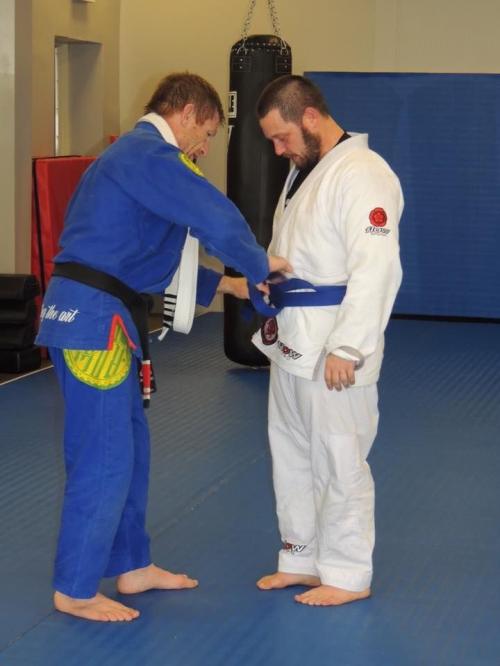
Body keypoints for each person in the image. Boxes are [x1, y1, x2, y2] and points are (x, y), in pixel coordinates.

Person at [36, 72, 291, 622]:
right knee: (104, 456)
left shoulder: (134, 162)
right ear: (188, 113)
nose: (204, 148)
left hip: (104, 315)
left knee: (129, 446)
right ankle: (75, 587)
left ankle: (131, 564)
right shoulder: (149, 153)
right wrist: (257, 262)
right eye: (207, 134)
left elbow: (145, 259)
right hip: (93, 322)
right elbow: (212, 212)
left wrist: (231, 286)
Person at [250, 75, 404, 606]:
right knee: (291, 450)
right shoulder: (305, 170)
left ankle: (347, 573)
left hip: (335, 345)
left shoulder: (364, 173)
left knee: (339, 457)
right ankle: (301, 557)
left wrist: (349, 347)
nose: (278, 150)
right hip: (292, 339)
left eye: (283, 137)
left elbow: (376, 267)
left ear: (310, 117)